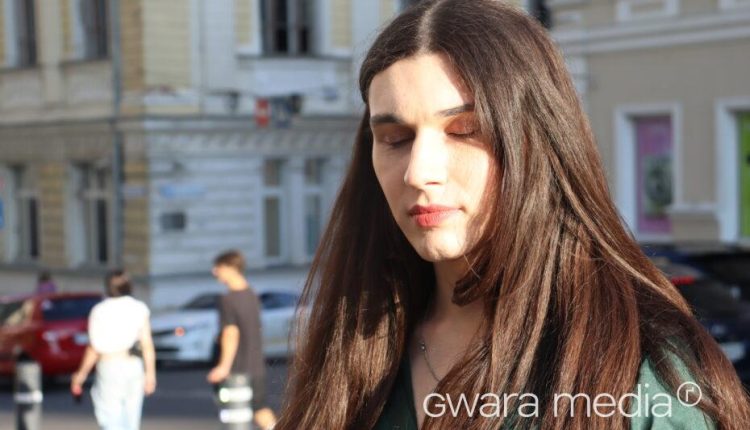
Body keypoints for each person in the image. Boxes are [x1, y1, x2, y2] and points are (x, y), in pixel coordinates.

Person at [274, 1, 750, 430]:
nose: (419, 172)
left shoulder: (641, 373)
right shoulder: (354, 347)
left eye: (464, 131)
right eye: (396, 139)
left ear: (538, 141)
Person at [71, 269, 156, 430]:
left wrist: (81, 375)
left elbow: (93, 348)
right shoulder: (139, 308)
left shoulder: (99, 310)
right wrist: (150, 375)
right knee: (132, 417)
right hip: (133, 364)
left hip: (109, 364)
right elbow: (147, 344)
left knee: (110, 417)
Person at [207, 250, 277, 430]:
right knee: (260, 408)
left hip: (238, 369)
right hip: (256, 365)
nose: (214, 272)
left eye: (218, 267)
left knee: (236, 414)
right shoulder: (252, 295)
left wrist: (223, 366)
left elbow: (231, 333)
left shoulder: (227, 299)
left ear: (231, 268)